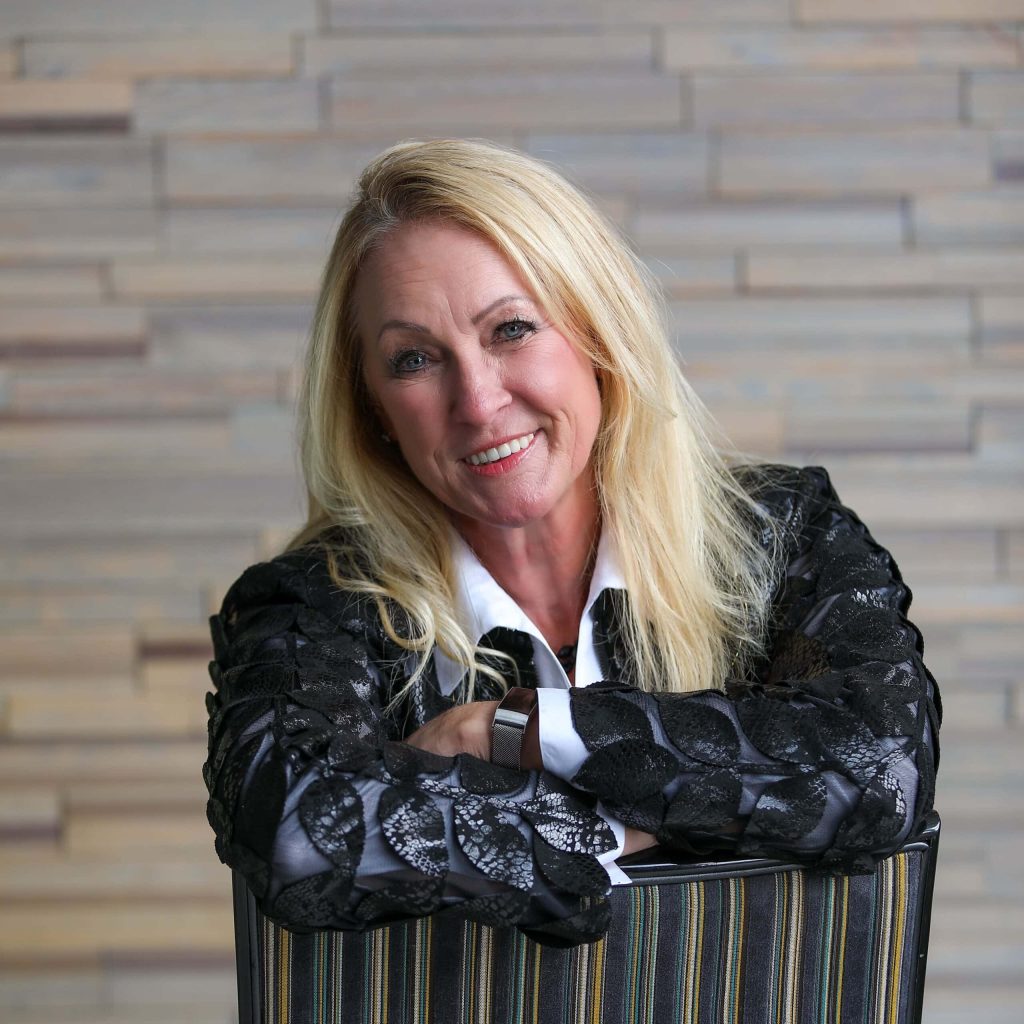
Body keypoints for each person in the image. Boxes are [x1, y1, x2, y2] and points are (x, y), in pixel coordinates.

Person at [203, 138, 940, 947]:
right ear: (373, 405)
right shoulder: (315, 602)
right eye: (414, 359)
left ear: (597, 333)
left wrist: (506, 734)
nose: (479, 404)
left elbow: (877, 767)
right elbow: (295, 826)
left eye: (511, 329)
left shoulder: (781, 535)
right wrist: (688, 802)